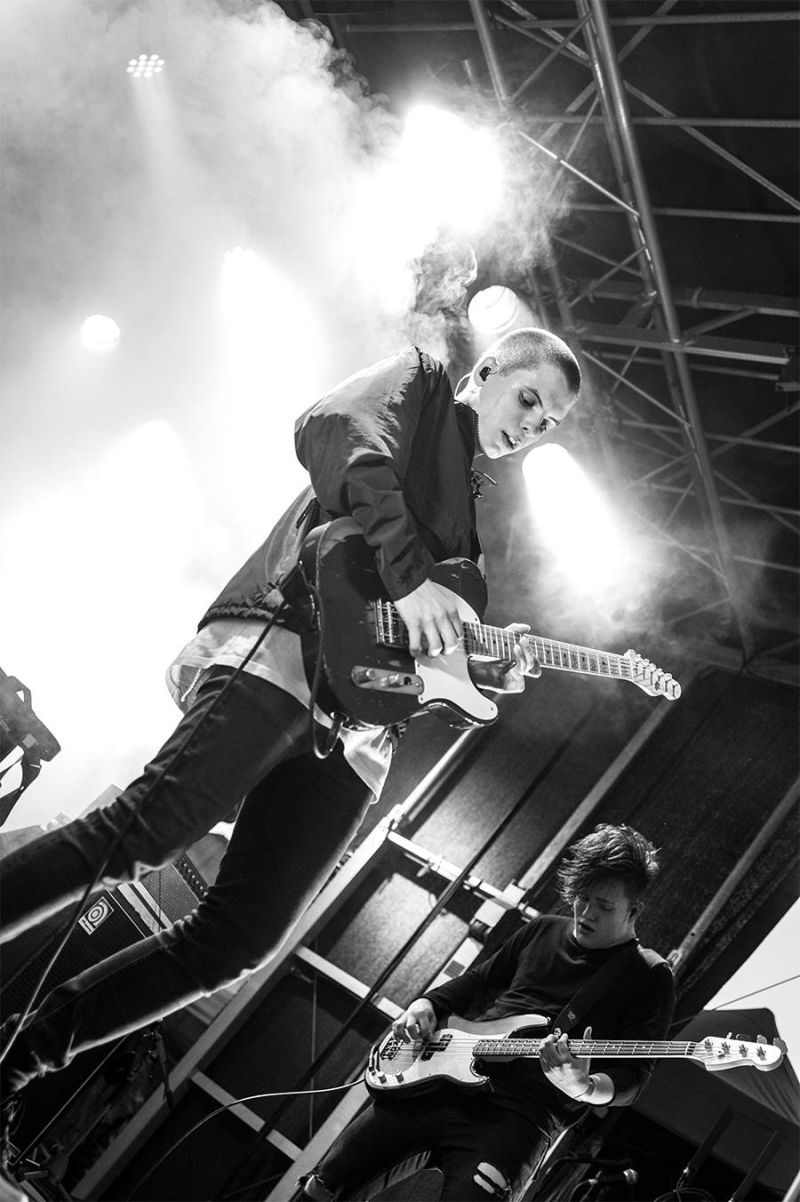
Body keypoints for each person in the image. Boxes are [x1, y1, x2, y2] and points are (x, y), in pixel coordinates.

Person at [0, 328, 581, 1104]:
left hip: (357, 736)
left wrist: (482, 667)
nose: (532, 424)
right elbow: (334, 429)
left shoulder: (469, 525)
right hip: (288, 651)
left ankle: (15, 1064)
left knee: (238, 938)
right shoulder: (419, 379)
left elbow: (413, 648)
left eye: (548, 423)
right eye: (530, 399)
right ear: (487, 370)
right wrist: (412, 580)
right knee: (142, 833)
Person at [301, 823, 676, 1202]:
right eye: (582, 897)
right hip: (439, 1081)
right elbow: (476, 983)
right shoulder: (542, 930)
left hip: (521, 1115)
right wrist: (424, 1005)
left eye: (605, 906)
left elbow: (633, 1077)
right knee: (323, 1185)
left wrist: (584, 1086)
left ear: (634, 910)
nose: (587, 912)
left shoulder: (648, 975)